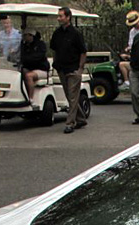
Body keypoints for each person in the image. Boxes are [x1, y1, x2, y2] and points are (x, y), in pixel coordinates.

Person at [49, 6, 88, 134]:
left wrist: (80, 69)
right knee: (70, 96)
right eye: (58, 16)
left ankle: (70, 123)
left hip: (73, 69)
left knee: (72, 97)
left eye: (61, 16)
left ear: (68, 17)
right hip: (62, 68)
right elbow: (54, 49)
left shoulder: (76, 33)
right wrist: (55, 64)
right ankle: (81, 118)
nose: (58, 18)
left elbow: (83, 52)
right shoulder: (57, 33)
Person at [20, 28, 49, 101]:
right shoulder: (24, 45)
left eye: (26, 35)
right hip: (30, 68)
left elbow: (39, 56)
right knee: (19, 73)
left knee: (28, 76)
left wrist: (27, 59)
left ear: (31, 36)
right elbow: (21, 56)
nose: (24, 37)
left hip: (41, 69)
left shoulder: (40, 45)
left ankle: (30, 98)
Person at [118, 10, 139, 87]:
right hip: (135, 59)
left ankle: (127, 81)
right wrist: (128, 50)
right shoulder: (132, 32)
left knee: (122, 64)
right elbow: (131, 45)